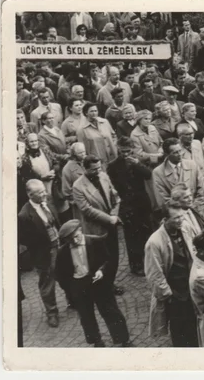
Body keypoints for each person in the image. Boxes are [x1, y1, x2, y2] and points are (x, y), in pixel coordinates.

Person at [55, 219, 132, 347]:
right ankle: (96, 341)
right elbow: (60, 274)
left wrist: (101, 271)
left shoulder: (96, 241)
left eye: (76, 236)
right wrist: (71, 289)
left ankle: (123, 339)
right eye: (70, 239)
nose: (75, 241)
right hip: (79, 286)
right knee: (86, 317)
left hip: (98, 283)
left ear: (81, 230)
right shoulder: (63, 252)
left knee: (110, 311)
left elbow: (108, 260)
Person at [144, 200, 199, 347]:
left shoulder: (186, 227)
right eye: (176, 218)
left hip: (192, 288)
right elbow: (154, 274)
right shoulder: (154, 242)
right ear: (164, 220)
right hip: (175, 295)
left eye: (182, 216)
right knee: (180, 331)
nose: (181, 220)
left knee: (196, 326)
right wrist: (169, 295)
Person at [72, 155, 124, 296]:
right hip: (96, 228)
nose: (98, 171)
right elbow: (86, 209)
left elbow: (115, 196)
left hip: (111, 223)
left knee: (114, 257)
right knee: (101, 258)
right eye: (94, 169)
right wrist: (109, 218)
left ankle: (110, 283)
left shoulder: (104, 176)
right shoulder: (78, 186)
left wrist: (114, 214)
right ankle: (103, 287)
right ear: (85, 168)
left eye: (99, 168)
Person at [17, 179, 63, 327]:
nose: (45, 194)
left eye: (44, 190)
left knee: (66, 273)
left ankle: (72, 301)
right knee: (47, 284)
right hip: (44, 253)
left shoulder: (47, 201)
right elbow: (24, 239)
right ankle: (52, 313)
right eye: (40, 192)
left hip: (60, 246)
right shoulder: (24, 215)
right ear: (30, 195)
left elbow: (57, 222)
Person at [106, 136, 152, 276]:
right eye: (122, 151)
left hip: (142, 202)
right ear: (118, 149)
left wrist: (138, 164)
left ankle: (149, 261)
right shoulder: (113, 165)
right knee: (132, 236)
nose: (125, 154)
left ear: (132, 150)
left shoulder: (139, 160)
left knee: (146, 231)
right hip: (127, 203)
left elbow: (148, 175)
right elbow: (114, 184)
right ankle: (136, 264)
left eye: (128, 151)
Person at [152, 137, 204, 216]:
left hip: (198, 211)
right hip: (177, 216)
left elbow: (201, 190)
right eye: (175, 152)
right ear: (167, 154)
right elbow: (163, 201)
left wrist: (194, 207)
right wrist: (182, 212)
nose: (180, 154)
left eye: (180, 151)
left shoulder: (192, 165)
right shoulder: (158, 173)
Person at [130, 110, 164, 210]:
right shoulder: (135, 135)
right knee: (154, 191)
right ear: (139, 120)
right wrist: (155, 156)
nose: (148, 121)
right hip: (149, 166)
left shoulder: (152, 128)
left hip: (160, 163)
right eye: (145, 119)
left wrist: (161, 151)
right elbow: (139, 154)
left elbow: (161, 142)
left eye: (149, 118)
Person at [77, 103, 118, 170]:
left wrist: (114, 146)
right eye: (92, 111)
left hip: (112, 158)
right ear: (86, 113)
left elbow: (113, 135)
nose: (94, 113)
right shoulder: (81, 129)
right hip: (98, 162)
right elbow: (82, 149)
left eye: (96, 111)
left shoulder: (105, 122)